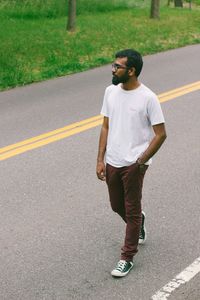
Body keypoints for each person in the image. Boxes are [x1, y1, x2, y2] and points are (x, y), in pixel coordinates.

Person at [96, 49, 167, 277]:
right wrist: (100, 159)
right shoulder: (110, 92)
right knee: (117, 206)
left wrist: (141, 160)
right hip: (113, 161)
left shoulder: (148, 98)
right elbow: (105, 126)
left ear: (132, 71)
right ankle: (139, 221)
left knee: (132, 209)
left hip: (134, 163)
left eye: (118, 67)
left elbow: (161, 134)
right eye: (114, 65)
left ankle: (127, 257)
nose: (113, 70)